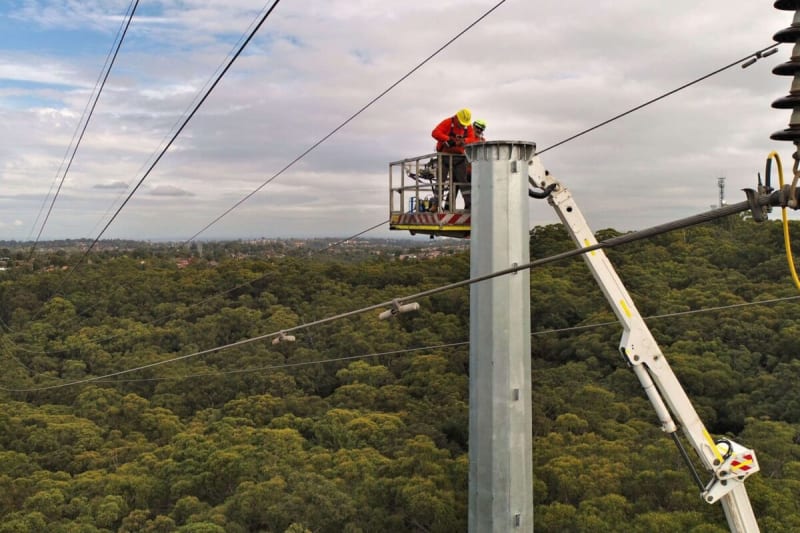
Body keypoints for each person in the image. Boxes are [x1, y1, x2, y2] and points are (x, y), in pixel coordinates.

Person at [432, 109, 474, 210]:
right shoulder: (447, 122)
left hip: (459, 158)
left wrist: (464, 140)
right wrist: (447, 139)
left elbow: (472, 138)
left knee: (462, 181)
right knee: (440, 180)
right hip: (444, 156)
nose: (462, 125)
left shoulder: (467, 126)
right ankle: (436, 204)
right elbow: (435, 133)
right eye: (460, 123)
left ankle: (469, 205)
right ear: (456, 118)